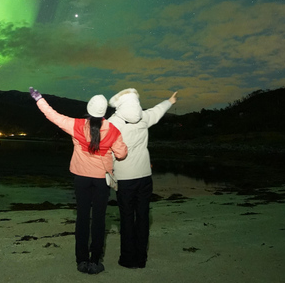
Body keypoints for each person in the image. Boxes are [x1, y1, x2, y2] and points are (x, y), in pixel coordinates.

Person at [29, 87, 128, 275]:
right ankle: (95, 261)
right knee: (99, 220)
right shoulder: (113, 130)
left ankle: (81, 261)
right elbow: (122, 154)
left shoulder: (76, 125)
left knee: (82, 218)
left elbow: (53, 115)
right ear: (104, 112)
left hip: (81, 178)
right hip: (102, 181)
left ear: (89, 109)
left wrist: (39, 98)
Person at [108, 88, 178, 269]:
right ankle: (141, 259)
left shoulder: (112, 123)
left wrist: (108, 176)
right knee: (143, 217)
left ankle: (127, 259)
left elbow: (105, 152)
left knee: (126, 218)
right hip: (145, 177)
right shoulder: (143, 118)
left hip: (125, 178)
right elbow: (156, 111)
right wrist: (169, 101)